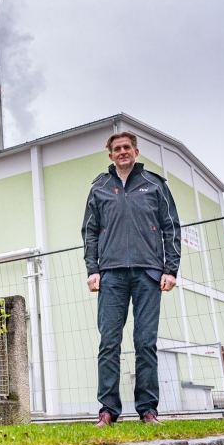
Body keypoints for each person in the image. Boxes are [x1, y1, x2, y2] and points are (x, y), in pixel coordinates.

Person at [82, 132, 180, 426]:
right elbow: (89, 231)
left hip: (148, 272)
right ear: (110, 155)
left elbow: (171, 227)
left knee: (145, 342)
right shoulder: (99, 187)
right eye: (117, 149)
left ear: (136, 152)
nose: (122, 152)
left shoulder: (154, 185)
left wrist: (170, 269)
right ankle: (108, 410)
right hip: (110, 274)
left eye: (127, 147)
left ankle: (148, 409)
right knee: (109, 342)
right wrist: (92, 269)